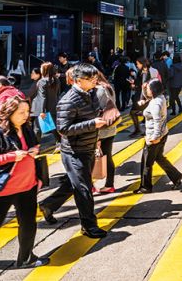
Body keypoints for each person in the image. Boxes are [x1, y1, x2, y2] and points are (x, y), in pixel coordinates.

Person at [38, 64, 108, 239]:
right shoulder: (68, 100)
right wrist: (92, 125)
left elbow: (93, 116)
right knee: (84, 188)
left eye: (95, 78)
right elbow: (63, 128)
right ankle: (89, 226)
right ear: (78, 80)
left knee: (74, 183)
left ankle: (49, 205)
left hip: (89, 146)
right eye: (91, 79)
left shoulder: (91, 94)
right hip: (74, 152)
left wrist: (96, 137)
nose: (95, 81)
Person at [0, 96, 49, 268]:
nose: (26, 115)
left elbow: (33, 148)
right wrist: (11, 156)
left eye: (27, 111)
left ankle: (26, 258)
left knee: (28, 224)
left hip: (27, 186)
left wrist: (34, 151)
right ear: (9, 113)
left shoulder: (26, 129)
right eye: (21, 112)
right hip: (1, 189)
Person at [133, 79, 182, 193]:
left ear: (153, 90)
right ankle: (176, 177)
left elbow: (158, 120)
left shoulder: (156, 103)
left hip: (154, 136)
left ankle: (145, 187)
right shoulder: (160, 98)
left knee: (146, 162)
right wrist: (144, 91)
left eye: (148, 89)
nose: (146, 90)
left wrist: (155, 137)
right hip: (163, 133)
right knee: (159, 158)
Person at [93, 71, 118, 194]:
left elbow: (97, 111)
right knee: (107, 156)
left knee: (93, 157)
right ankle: (109, 184)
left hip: (100, 129)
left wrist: (96, 135)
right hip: (111, 127)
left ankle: (91, 184)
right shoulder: (108, 87)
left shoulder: (99, 90)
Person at [31, 62, 62, 144]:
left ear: (45, 69)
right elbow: (58, 94)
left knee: (37, 128)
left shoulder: (42, 82)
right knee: (53, 128)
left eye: (41, 68)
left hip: (43, 108)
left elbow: (42, 96)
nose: (40, 69)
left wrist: (41, 111)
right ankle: (60, 142)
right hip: (54, 107)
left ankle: (35, 146)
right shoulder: (56, 80)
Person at [129, 57, 156, 138]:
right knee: (144, 113)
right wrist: (134, 83)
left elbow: (143, 86)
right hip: (142, 95)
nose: (137, 65)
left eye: (138, 64)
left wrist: (142, 99)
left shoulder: (144, 72)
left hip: (141, 96)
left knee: (134, 112)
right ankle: (144, 130)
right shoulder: (143, 71)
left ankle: (140, 130)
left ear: (142, 63)